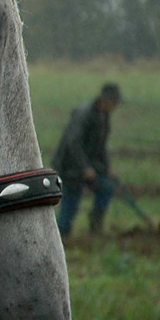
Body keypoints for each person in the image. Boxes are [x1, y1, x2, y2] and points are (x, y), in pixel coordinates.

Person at [51, 82, 122, 236]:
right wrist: (85, 168)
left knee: (107, 188)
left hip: (87, 165)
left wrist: (107, 168)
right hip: (70, 166)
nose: (115, 107)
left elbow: (101, 146)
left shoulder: (104, 116)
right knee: (71, 203)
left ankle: (95, 226)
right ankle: (61, 235)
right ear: (107, 100)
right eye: (115, 103)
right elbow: (73, 143)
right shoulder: (84, 114)